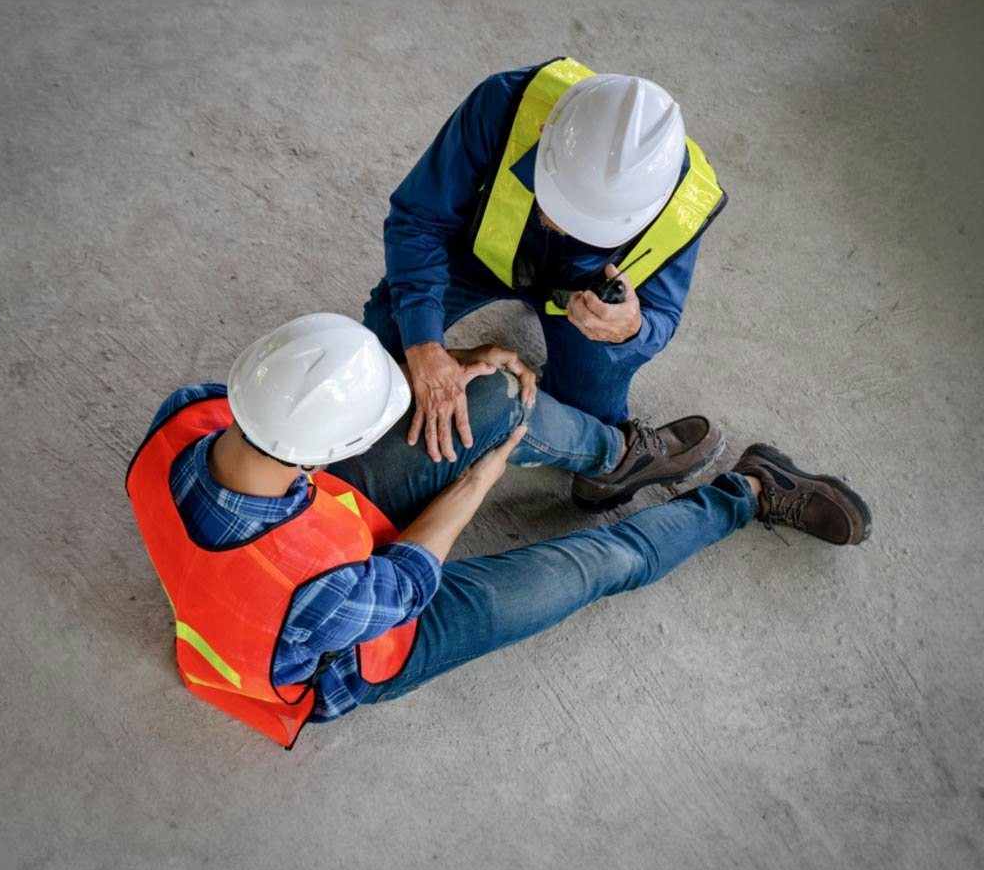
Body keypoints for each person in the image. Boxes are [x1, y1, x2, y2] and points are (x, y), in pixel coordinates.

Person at [127, 314, 871, 749]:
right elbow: (410, 577)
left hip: (303, 553)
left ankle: (615, 459)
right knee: (599, 565)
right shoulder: (316, 594)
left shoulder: (189, 419)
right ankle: (747, 493)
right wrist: (482, 475)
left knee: (483, 397)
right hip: (361, 642)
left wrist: (450, 367)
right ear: (336, 454)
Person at [363, 57, 729, 509]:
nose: (562, 225)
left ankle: (615, 457)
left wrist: (630, 329)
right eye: (557, 199)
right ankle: (595, 444)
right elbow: (418, 221)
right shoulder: (506, 102)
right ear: (545, 134)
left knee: (585, 417)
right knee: (380, 345)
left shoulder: (685, 202)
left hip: (579, 302)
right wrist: (424, 347)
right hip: (478, 258)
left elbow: (663, 316)